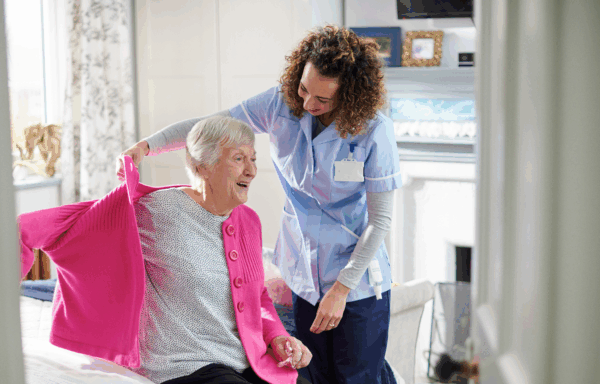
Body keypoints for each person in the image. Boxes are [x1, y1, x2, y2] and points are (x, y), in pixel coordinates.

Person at [116, 25, 401, 384]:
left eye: (323, 100)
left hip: (356, 282)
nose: (308, 104)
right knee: (311, 378)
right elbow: (212, 126)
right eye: (303, 89)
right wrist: (147, 145)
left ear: (350, 96)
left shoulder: (374, 132)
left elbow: (381, 221)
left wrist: (342, 289)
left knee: (356, 378)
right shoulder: (282, 104)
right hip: (304, 274)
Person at [18, 116, 313, 384]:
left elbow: (257, 294)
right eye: (238, 159)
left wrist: (277, 337)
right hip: (185, 365)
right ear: (202, 168)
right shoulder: (157, 211)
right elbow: (38, 227)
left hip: (247, 359)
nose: (251, 170)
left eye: (252, 158)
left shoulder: (248, 221)